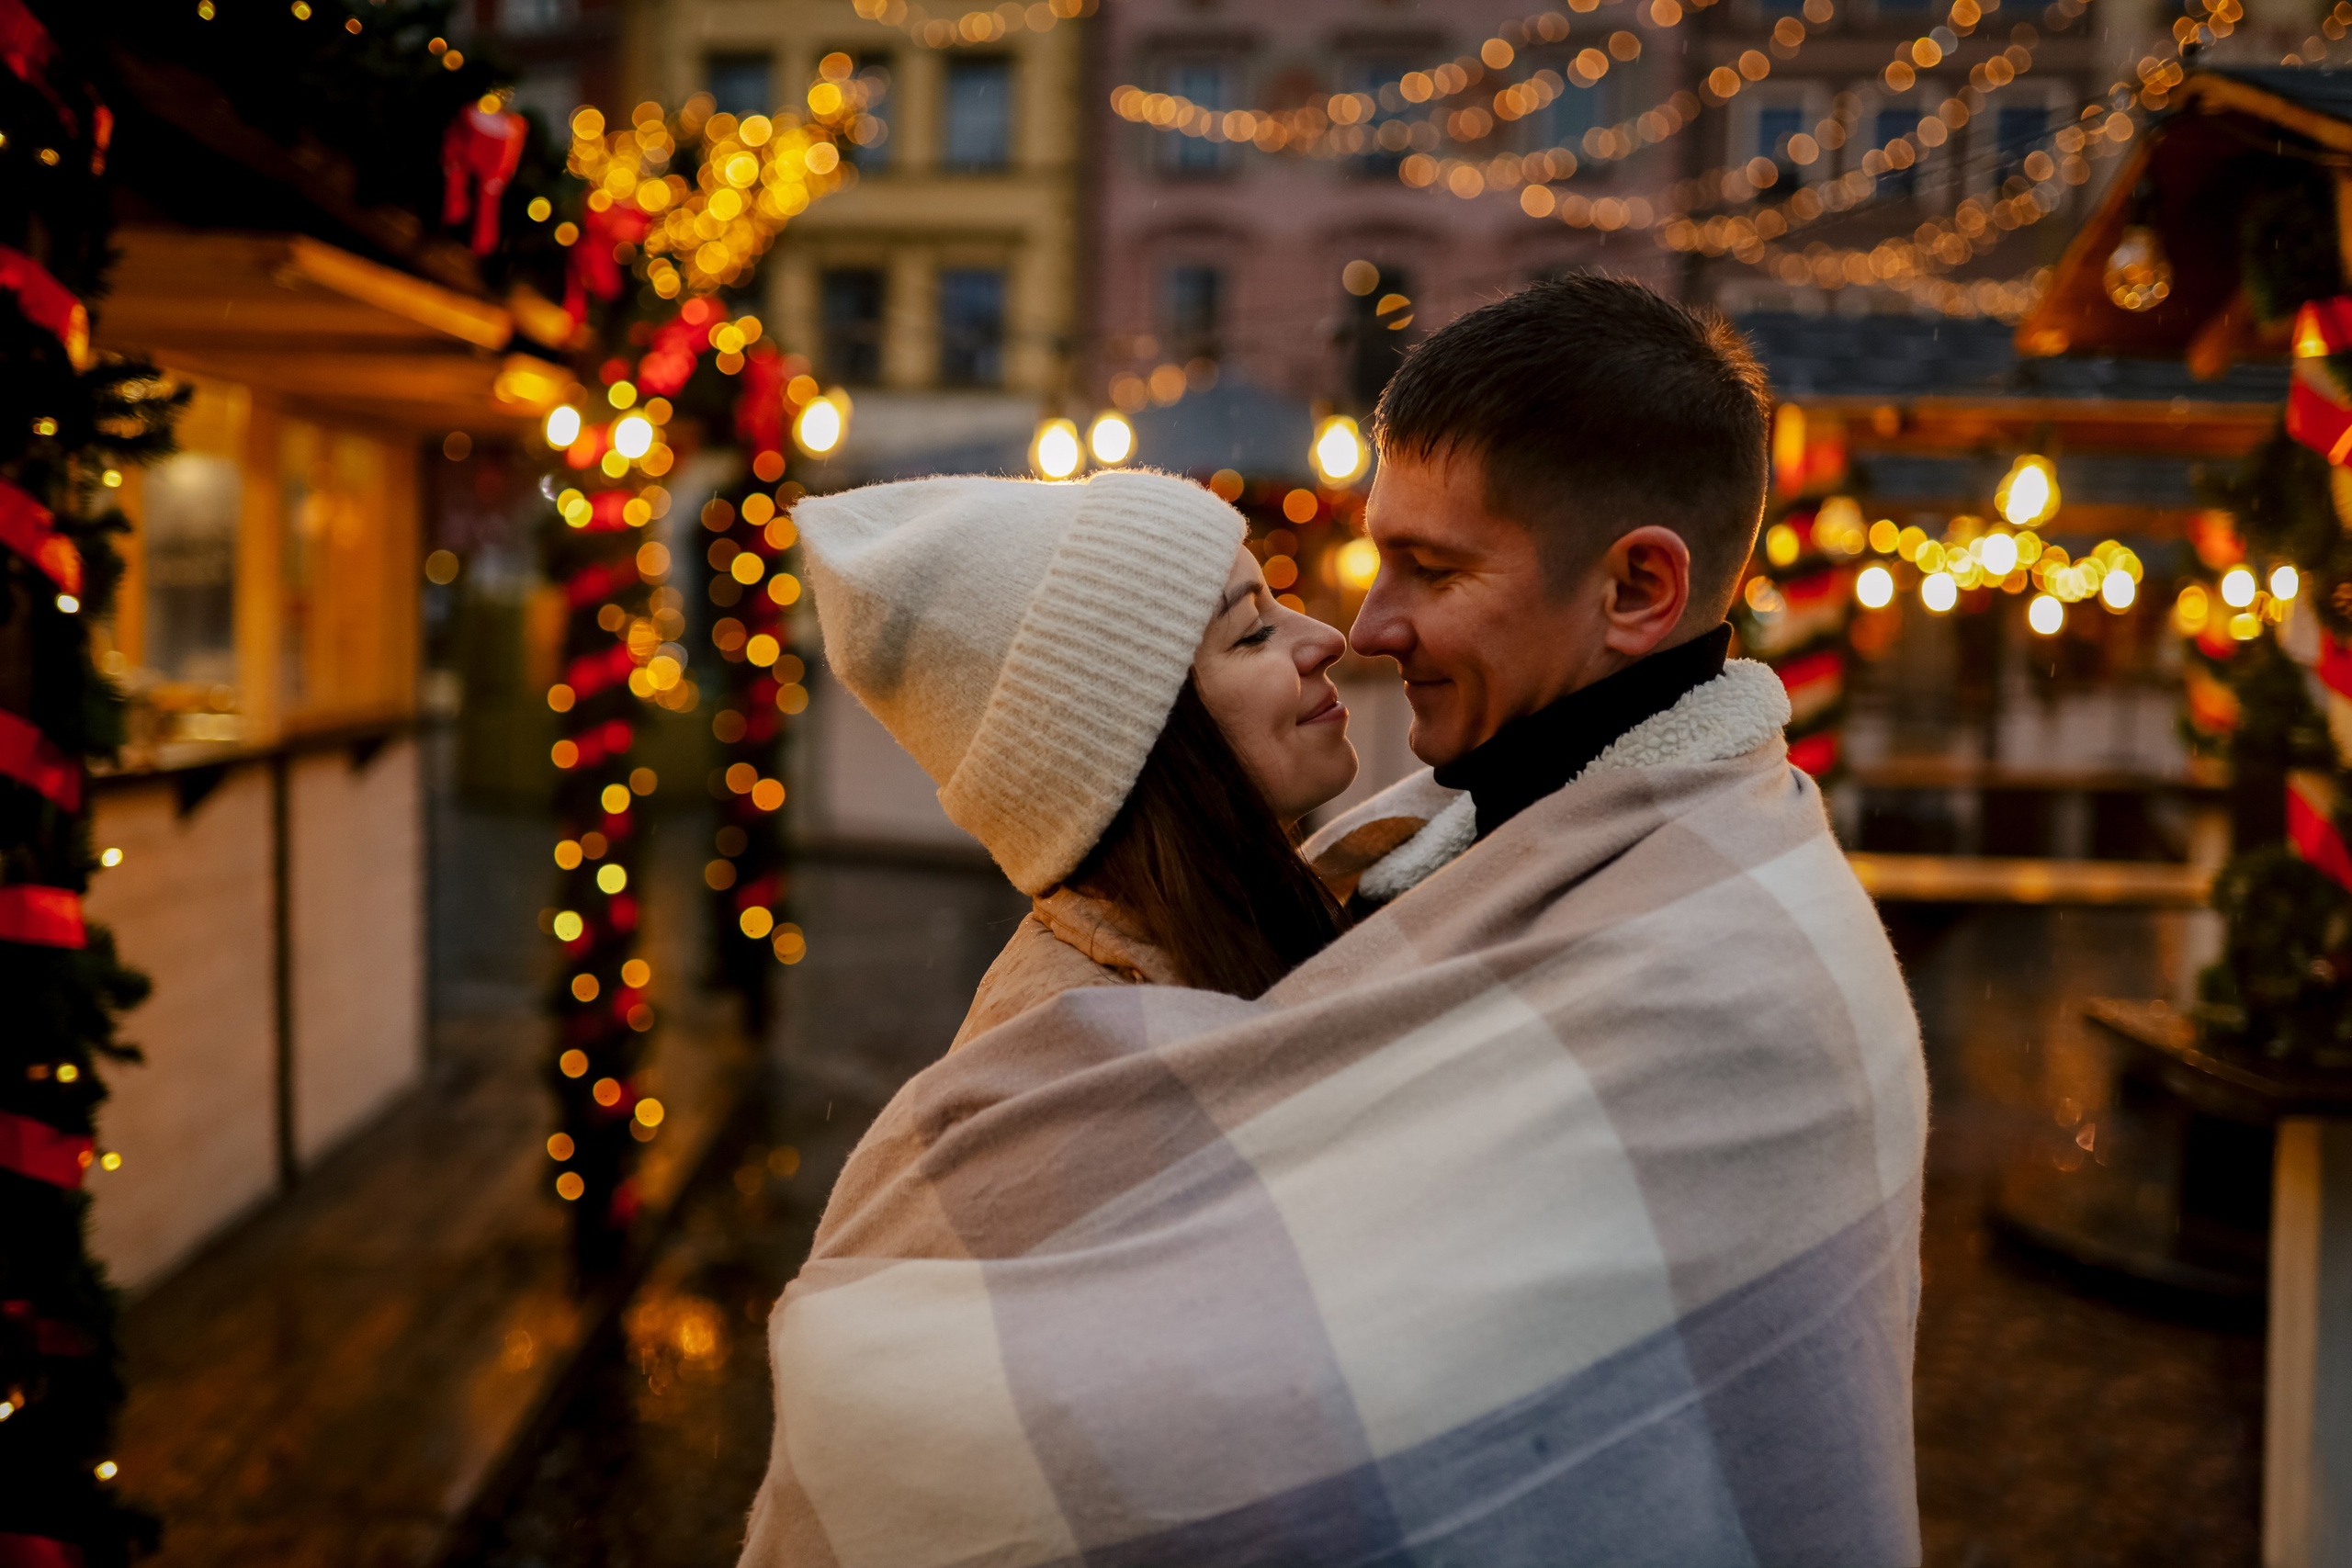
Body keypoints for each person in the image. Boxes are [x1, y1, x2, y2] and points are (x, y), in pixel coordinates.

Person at [741, 276, 1927, 1568]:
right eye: (1365, 564)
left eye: (1434, 567)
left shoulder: (1724, 964)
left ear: (1639, 585)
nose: (1360, 628)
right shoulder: (1429, 851)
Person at [782, 468, 1358, 1054]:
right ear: (1139, 739)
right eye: (1253, 633)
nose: (1329, 638)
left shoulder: (1268, 927)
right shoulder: (1065, 1071)